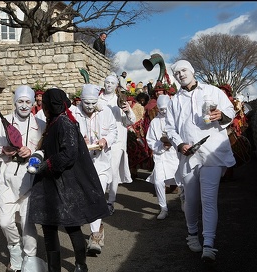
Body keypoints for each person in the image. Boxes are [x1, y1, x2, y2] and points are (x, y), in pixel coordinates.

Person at [28, 88, 110, 272]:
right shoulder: (54, 122)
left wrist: (45, 165)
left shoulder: (64, 123)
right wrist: (39, 155)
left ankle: (81, 265)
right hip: (50, 182)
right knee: (48, 227)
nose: (44, 108)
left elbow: (69, 153)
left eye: (45, 105)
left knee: (72, 225)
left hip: (66, 183)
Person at [164, 60, 236, 263]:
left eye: (184, 70)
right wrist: (179, 144)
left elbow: (230, 111)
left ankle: (209, 244)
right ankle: (192, 234)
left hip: (212, 152)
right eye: (176, 72)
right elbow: (170, 128)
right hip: (188, 156)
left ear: (192, 71)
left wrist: (221, 115)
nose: (180, 74)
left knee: (209, 199)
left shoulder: (213, 91)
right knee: (192, 200)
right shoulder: (174, 101)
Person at [0, 85, 47, 272]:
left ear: (34, 103)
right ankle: (15, 250)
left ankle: (30, 257)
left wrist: (34, 153)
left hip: (31, 178)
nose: (24, 106)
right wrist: (3, 149)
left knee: (28, 224)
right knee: (4, 221)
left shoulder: (40, 124)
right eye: (20, 101)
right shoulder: (2, 123)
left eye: (28, 102)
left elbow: (47, 150)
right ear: (15, 102)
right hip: (8, 177)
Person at [72, 83, 118, 255]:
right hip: (82, 162)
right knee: (85, 196)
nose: (90, 107)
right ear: (81, 100)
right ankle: (98, 226)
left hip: (101, 161)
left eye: (93, 103)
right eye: (86, 103)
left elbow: (113, 131)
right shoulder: (73, 113)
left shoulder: (106, 111)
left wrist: (105, 140)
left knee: (96, 193)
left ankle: (95, 235)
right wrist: (78, 139)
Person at [97, 75, 136, 215]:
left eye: (112, 83)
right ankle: (99, 200)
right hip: (100, 140)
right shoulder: (98, 99)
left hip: (116, 141)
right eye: (107, 82)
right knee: (99, 170)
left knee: (113, 171)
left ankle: (110, 201)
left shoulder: (120, 100)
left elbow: (130, 121)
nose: (109, 85)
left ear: (116, 86)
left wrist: (128, 111)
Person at [145, 95, 180, 220]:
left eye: (166, 108)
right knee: (159, 181)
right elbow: (150, 140)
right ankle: (163, 208)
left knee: (182, 181)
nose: (164, 111)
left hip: (175, 156)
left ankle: (184, 201)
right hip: (160, 157)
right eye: (161, 109)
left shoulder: (176, 120)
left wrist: (174, 143)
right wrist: (162, 145)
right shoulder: (154, 122)